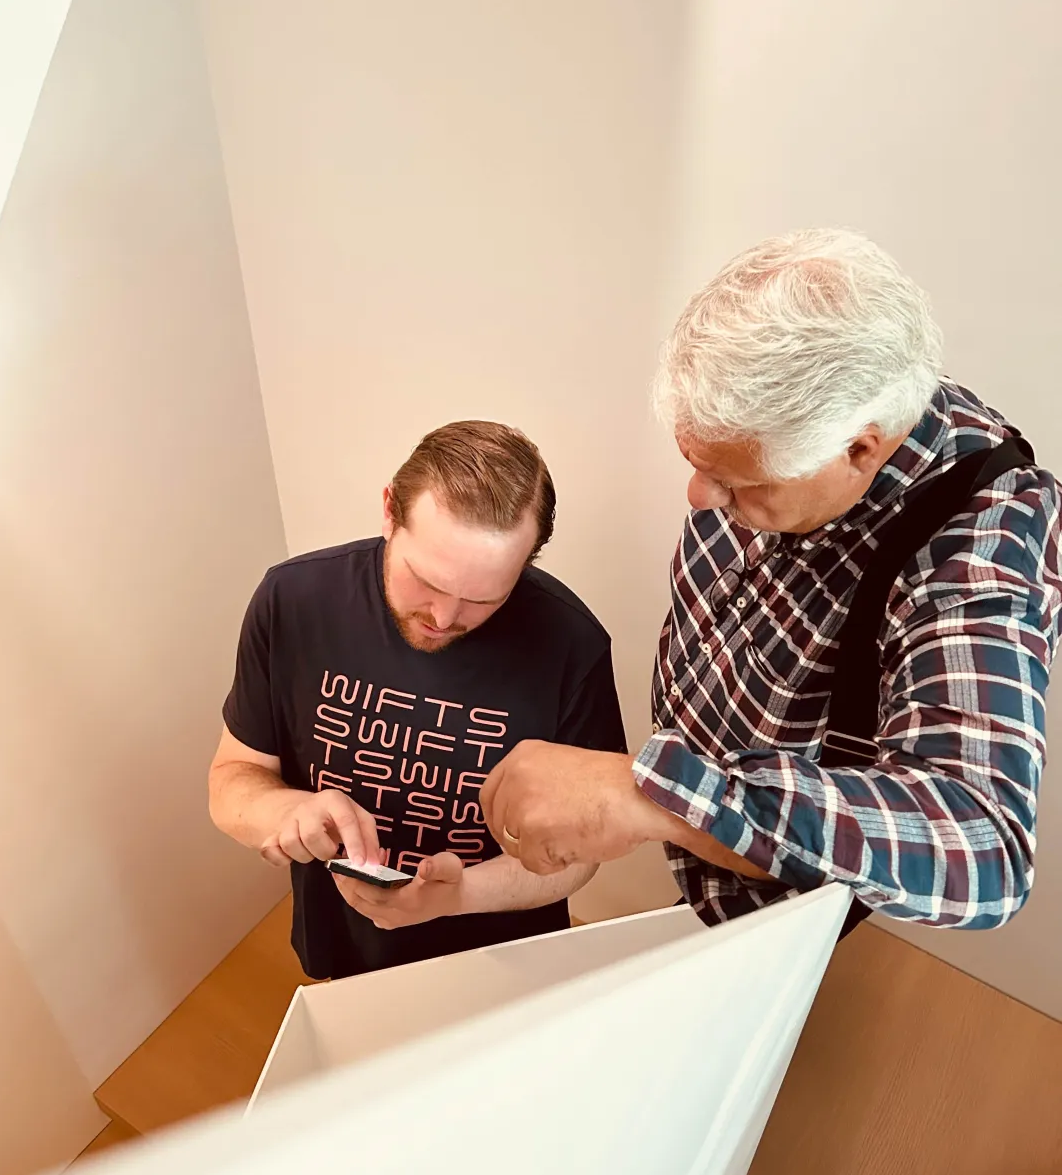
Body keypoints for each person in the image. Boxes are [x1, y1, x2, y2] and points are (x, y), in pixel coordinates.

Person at [476, 229, 1062, 936]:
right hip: (699, 854)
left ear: (859, 449)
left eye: (738, 482)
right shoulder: (802, 409)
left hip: (770, 910)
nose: (699, 497)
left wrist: (657, 797)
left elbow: (985, 852)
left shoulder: (981, 543)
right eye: (698, 465)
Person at [208, 420, 625, 979]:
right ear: (389, 510)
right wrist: (285, 812)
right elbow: (232, 779)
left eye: (484, 598)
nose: (444, 618)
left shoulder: (571, 644)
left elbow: (580, 854)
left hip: (503, 963)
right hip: (343, 946)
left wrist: (460, 895)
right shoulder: (293, 602)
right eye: (426, 581)